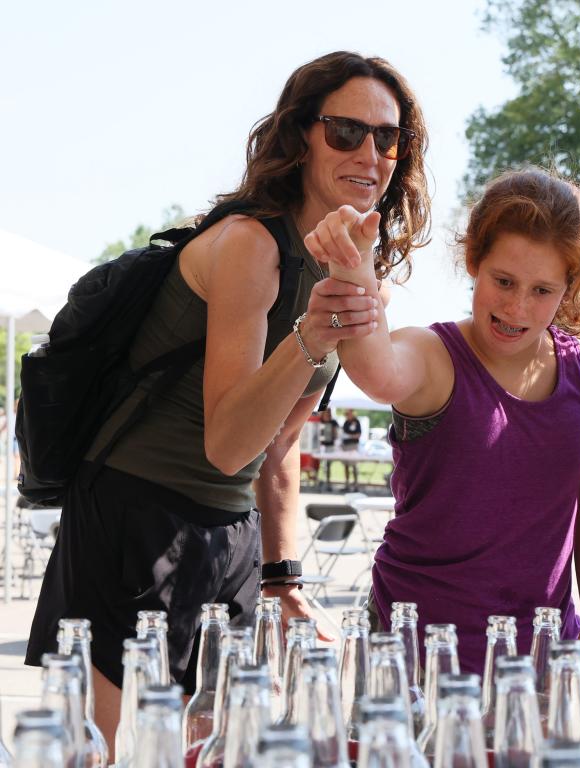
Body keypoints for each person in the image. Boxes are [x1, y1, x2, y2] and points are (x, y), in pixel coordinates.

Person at [25, 51, 430, 756]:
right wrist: (310, 333)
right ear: (302, 134)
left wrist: (283, 576)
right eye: (345, 132)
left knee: (214, 750)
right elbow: (227, 444)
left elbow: (277, 450)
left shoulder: (351, 269)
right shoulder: (250, 246)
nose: (370, 152)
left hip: (230, 537)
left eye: (388, 138)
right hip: (134, 518)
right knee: (107, 751)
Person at [306, 167, 580, 675]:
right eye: (503, 281)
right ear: (474, 260)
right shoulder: (433, 353)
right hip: (412, 651)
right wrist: (354, 268)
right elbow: (377, 372)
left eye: (542, 290)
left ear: (571, 287)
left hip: (541, 655)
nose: (517, 306)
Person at [340, 407, 362, 490]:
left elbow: (358, 435)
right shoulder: (346, 423)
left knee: (354, 465)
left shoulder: (357, 422)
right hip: (346, 446)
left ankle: (356, 484)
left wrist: (349, 436)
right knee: (346, 465)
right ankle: (347, 484)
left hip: (353, 445)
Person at [318, 408, 339, 490]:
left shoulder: (333, 422)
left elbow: (337, 434)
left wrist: (334, 434)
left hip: (330, 446)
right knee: (320, 464)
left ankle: (328, 481)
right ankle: (319, 480)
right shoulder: (320, 421)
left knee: (328, 465)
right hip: (321, 446)